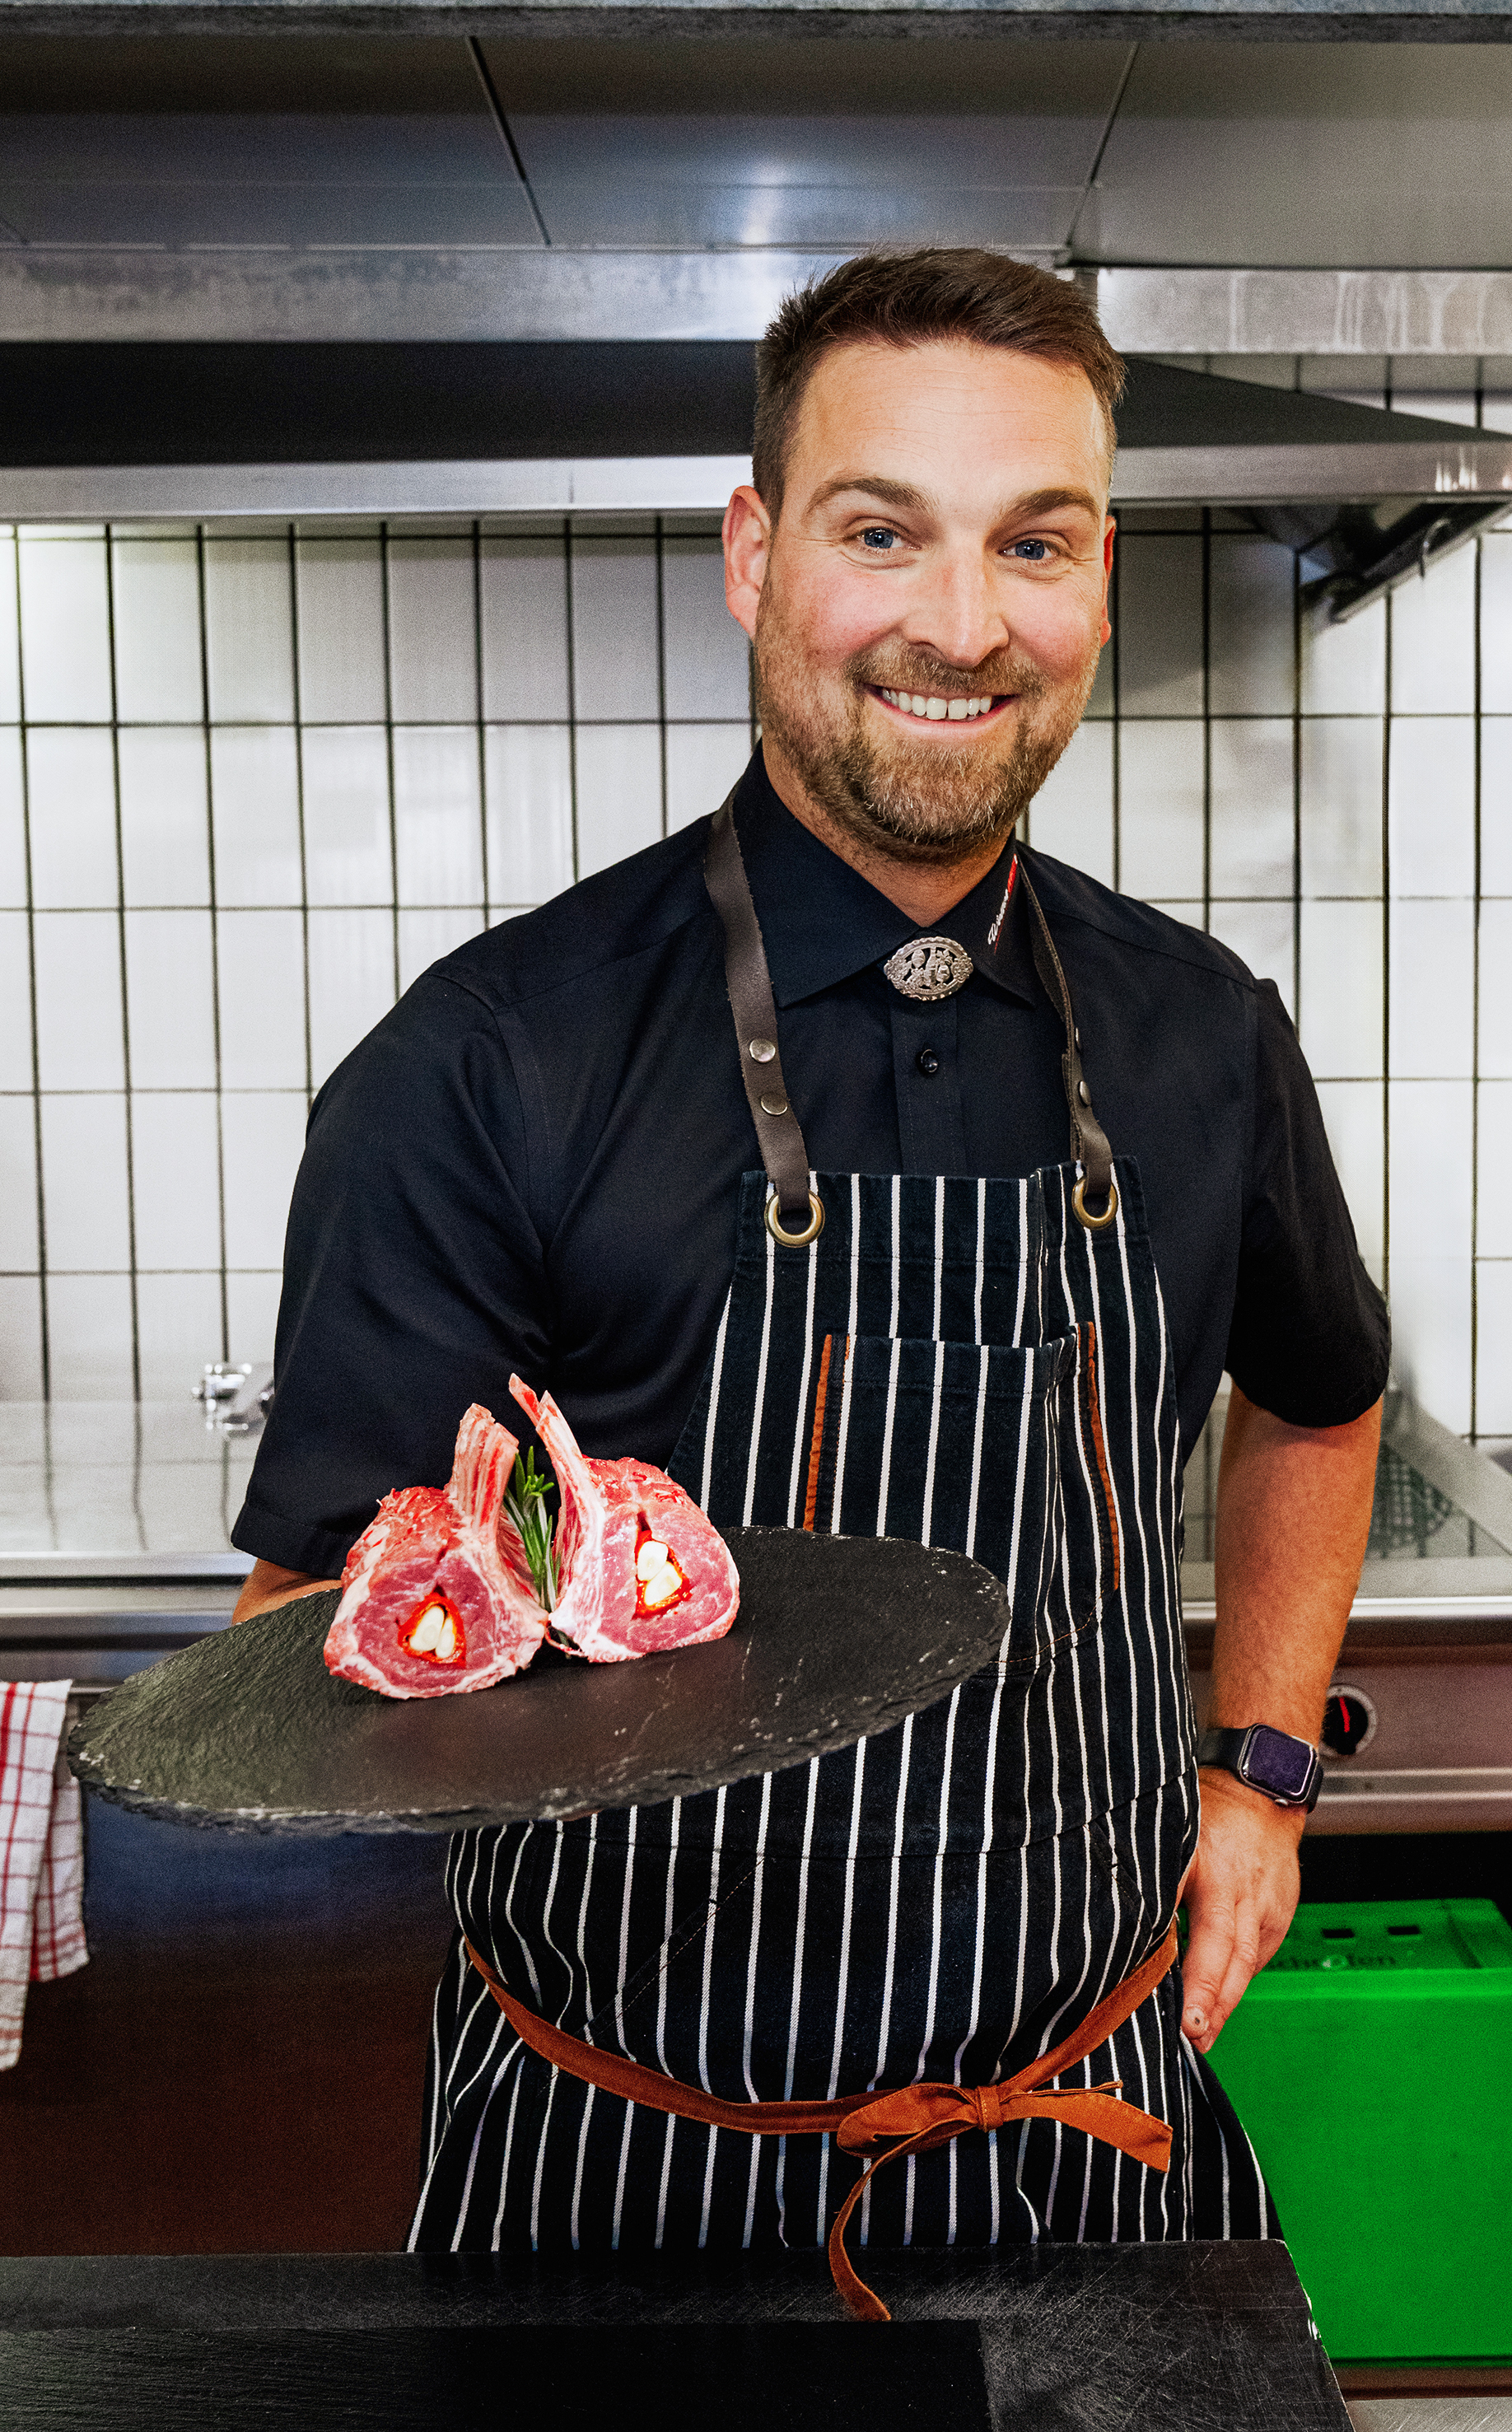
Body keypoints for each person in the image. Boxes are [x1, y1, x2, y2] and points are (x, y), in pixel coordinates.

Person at [232, 248, 1387, 2260]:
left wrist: (1263, 1770)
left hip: (1083, 2145)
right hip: (616, 2170)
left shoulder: (1206, 1033)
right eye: (882, 532)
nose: (961, 623)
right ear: (757, 555)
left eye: (1036, 541)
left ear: (1101, 576)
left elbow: (1321, 1395)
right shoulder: (487, 1063)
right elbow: (304, 1635)